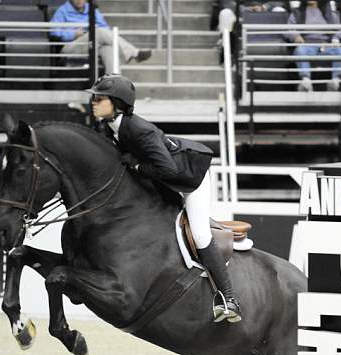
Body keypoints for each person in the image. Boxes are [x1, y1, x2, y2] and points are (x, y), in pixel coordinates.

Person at [87, 74, 242, 324]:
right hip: (164, 182)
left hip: (190, 181)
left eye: (99, 98)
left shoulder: (138, 129)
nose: (93, 102)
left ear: (117, 103)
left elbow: (168, 170)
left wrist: (136, 167)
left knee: (200, 235)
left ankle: (229, 298)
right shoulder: (110, 127)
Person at [50, 0, 151, 74]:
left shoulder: (92, 9)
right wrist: (73, 34)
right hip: (72, 47)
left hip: (94, 43)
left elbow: (105, 29)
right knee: (97, 31)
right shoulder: (62, 11)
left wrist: (91, 31)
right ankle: (133, 52)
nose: (79, 0)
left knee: (108, 49)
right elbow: (53, 33)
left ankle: (113, 88)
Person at [285, 0, 341, 92]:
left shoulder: (331, 14)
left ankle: (335, 81)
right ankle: (305, 81)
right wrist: (296, 36)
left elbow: (340, 30)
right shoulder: (296, 12)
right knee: (300, 51)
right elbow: (289, 29)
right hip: (307, 44)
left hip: (326, 44)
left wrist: (336, 38)